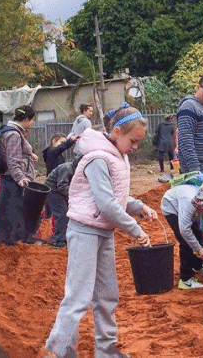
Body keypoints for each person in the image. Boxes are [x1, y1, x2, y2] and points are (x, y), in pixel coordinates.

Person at [45, 104, 159, 358]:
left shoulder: (118, 156)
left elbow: (116, 196)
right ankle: (59, 352)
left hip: (103, 233)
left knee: (107, 295)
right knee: (78, 297)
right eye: (133, 141)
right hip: (85, 231)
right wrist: (135, 229)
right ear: (117, 132)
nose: (135, 147)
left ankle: (106, 350)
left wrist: (138, 206)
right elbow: (106, 204)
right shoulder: (98, 158)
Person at [0, 105, 38, 245]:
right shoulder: (13, 134)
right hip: (12, 179)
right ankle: (8, 241)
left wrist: (30, 154)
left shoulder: (13, 131)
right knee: (11, 209)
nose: (32, 123)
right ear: (25, 119)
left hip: (10, 177)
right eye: (32, 120)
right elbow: (13, 160)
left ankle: (8, 239)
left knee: (8, 208)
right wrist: (21, 178)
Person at [161, 172, 203, 290]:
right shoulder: (190, 200)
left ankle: (197, 266)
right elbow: (184, 229)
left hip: (185, 203)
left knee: (198, 234)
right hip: (172, 207)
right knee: (186, 242)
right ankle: (186, 278)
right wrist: (199, 249)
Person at [44, 160, 74, 248]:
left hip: (59, 191)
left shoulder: (74, 169)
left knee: (66, 213)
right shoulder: (67, 168)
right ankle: (59, 240)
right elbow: (61, 186)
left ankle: (63, 237)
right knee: (62, 214)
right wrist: (74, 193)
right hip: (52, 190)